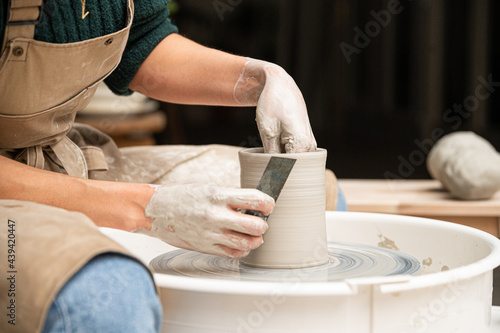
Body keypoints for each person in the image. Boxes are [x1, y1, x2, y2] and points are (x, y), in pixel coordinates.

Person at [0, 1, 342, 332]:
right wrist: (149, 208)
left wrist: (261, 78)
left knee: (322, 199)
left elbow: (145, 40)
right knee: (108, 299)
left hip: (51, 155)